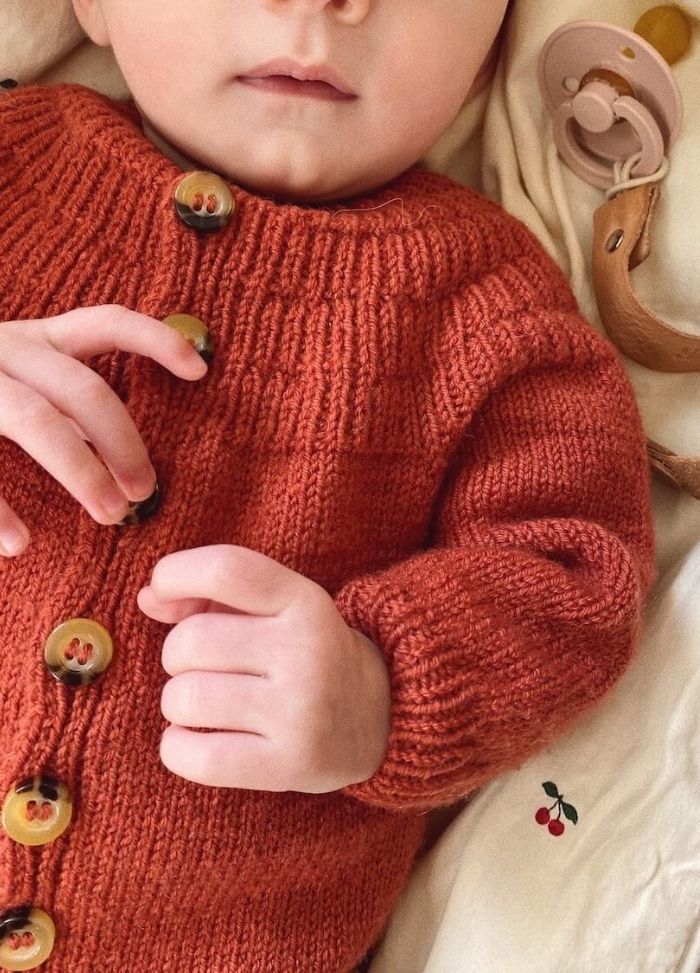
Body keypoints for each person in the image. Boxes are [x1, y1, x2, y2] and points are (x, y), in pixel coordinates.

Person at [0, 1, 656, 971]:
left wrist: (381, 687)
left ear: (494, 45)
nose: (319, 4)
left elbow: (573, 574)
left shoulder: (489, 302)